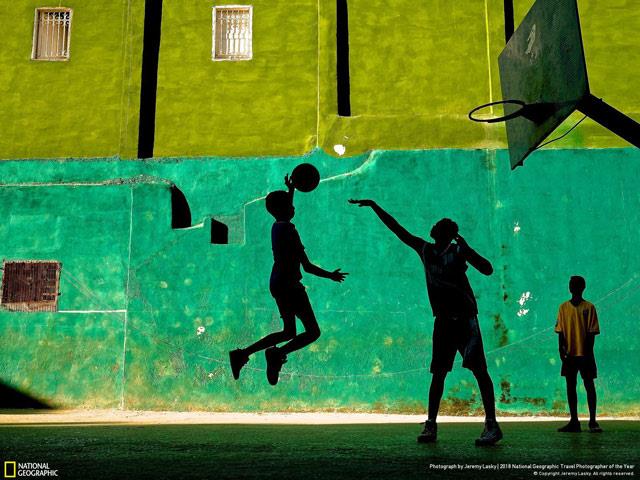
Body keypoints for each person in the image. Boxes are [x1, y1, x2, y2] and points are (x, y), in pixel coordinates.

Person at [349, 199, 502, 446]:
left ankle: (491, 425)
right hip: (443, 321)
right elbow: (397, 229)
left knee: (476, 372)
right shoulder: (426, 251)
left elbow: (487, 269)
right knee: (440, 374)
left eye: (441, 230)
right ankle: (432, 425)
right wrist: (374, 205)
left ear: (448, 235)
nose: (436, 231)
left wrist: (468, 250)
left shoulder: (457, 252)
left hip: (465, 320)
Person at [229, 175, 347, 385]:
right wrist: (331, 275)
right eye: (290, 205)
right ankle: (276, 354)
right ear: (284, 209)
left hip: (277, 283)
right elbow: (308, 267)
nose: (294, 208)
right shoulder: (290, 231)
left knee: (289, 331)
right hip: (290, 286)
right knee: (312, 332)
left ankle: (242, 354)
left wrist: (291, 190)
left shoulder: (277, 226)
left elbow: (285, 210)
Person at [555, 276, 602, 433]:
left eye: (574, 285)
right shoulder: (563, 308)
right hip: (570, 355)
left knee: (589, 385)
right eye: (571, 284)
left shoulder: (589, 308)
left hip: (585, 355)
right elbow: (560, 332)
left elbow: (592, 333)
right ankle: (574, 421)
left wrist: (587, 353)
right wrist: (561, 350)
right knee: (571, 386)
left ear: (582, 288)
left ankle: (593, 421)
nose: (572, 287)